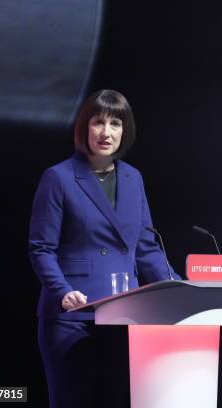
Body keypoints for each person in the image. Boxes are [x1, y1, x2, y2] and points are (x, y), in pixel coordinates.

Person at [28, 89, 181, 407]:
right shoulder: (58, 178)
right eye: (99, 122)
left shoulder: (133, 178)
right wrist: (62, 291)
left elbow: (146, 247)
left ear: (126, 130)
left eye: (116, 123)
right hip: (72, 317)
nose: (107, 132)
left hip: (126, 316)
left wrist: (178, 288)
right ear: (85, 127)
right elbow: (41, 248)